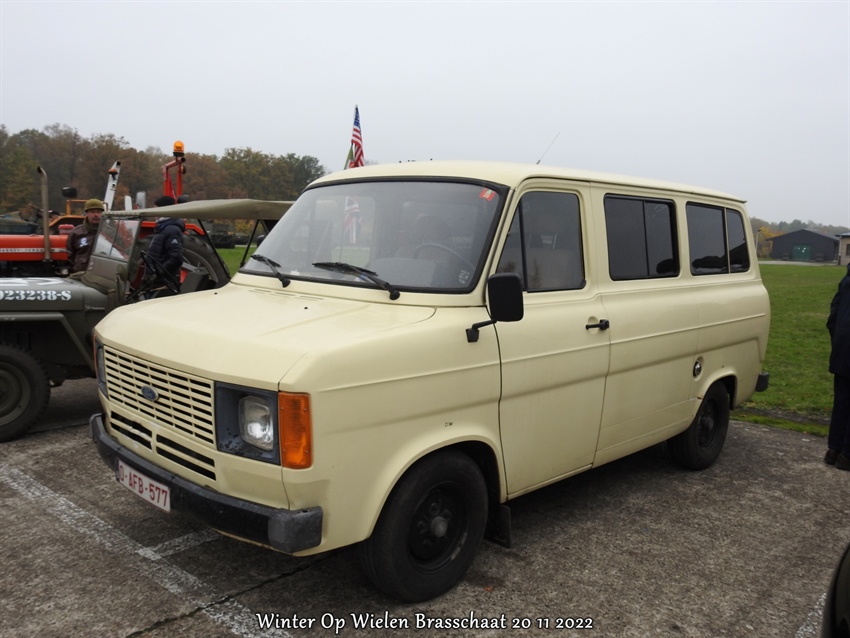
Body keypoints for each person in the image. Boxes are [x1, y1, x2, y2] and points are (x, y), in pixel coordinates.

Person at [826, 263, 850, 469]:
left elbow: (833, 315)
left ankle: (834, 449)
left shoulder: (846, 281)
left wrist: (838, 341)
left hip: (843, 345)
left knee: (841, 400)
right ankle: (846, 455)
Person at [66, 199, 104, 273]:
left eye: (99, 212)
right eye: (92, 212)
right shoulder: (76, 233)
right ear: (86, 213)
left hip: (103, 272)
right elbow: (71, 254)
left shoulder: (110, 232)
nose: (96, 215)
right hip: (82, 272)